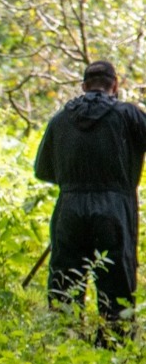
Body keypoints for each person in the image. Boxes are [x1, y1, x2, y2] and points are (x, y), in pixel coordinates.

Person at [34, 59, 146, 334]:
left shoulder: (60, 119)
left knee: (65, 283)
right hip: (114, 210)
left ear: (84, 86)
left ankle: (66, 344)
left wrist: (77, 183)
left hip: (70, 210)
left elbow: (43, 170)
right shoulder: (128, 115)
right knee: (117, 282)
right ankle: (114, 347)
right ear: (115, 86)